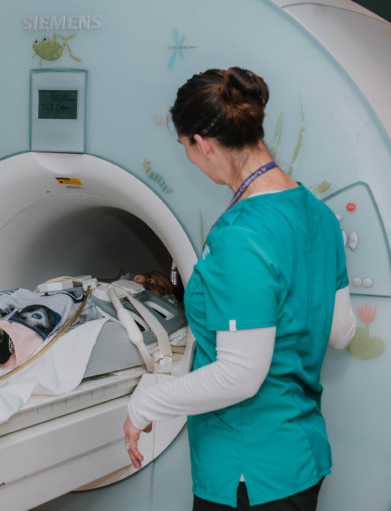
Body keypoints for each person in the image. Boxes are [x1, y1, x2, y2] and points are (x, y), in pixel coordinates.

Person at [123, 68, 357, 510]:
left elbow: (240, 375)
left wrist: (145, 405)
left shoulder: (241, 235)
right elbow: (341, 331)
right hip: (301, 458)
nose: (190, 160)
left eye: (185, 149)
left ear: (202, 143)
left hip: (249, 472)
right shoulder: (318, 214)